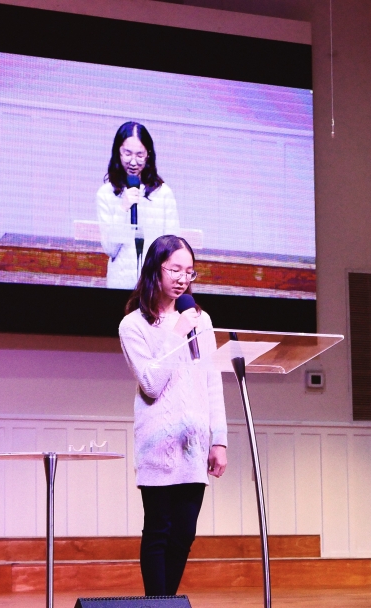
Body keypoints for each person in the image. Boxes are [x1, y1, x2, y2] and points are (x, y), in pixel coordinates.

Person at [118, 234, 227, 597]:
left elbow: (212, 381)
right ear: (155, 269)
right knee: (159, 531)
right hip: (158, 443)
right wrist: (176, 333)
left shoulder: (201, 320)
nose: (183, 279)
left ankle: (165, 603)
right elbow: (150, 383)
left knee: (184, 534)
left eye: (189, 271)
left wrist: (219, 440)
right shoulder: (133, 325)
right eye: (175, 269)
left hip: (194, 444)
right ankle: (157, 605)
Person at [97, 122, 180, 290]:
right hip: (120, 284)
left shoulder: (163, 193)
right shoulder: (106, 193)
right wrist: (122, 209)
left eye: (140, 155)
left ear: (148, 155)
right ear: (118, 152)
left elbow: (172, 247)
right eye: (127, 154)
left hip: (153, 286)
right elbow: (110, 249)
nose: (133, 162)